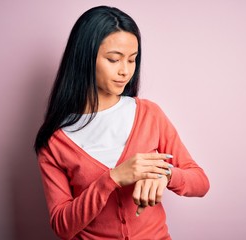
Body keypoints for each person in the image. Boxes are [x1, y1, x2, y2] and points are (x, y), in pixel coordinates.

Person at [34, 5, 209, 240]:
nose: (125, 71)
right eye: (114, 60)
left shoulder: (149, 114)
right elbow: (62, 226)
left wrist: (165, 174)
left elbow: (200, 181)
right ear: (85, 58)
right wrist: (112, 178)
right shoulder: (55, 141)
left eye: (132, 60)